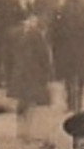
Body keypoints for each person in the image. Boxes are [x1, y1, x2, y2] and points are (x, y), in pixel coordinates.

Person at [5, 12, 54, 140]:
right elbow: (44, 56)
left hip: (21, 73)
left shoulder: (14, 33)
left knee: (24, 102)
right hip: (32, 74)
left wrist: (7, 74)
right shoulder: (36, 35)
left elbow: (7, 56)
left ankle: (22, 129)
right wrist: (47, 72)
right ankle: (25, 129)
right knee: (29, 102)